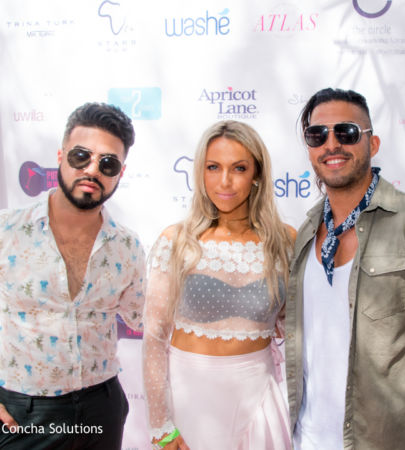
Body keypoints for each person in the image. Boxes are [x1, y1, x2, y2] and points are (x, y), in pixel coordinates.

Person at [286, 88, 405, 450]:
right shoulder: (306, 232)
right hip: (307, 440)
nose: (331, 144)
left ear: (372, 143)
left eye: (347, 132)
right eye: (317, 134)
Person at [0, 102, 145, 449]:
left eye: (108, 163)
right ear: (61, 156)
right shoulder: (7, 231)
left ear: (120, 173)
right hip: (24, 413)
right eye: (82, 156)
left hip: (102, 407)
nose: (92, 170)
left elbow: (147, 319)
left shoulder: (127, 246)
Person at [143, 120, 295, 449]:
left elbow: (295, 326)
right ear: (201, 172)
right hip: (190, 402)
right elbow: (154, 338)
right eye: (213, 167)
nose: (224, 181)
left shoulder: (285, 241)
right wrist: (161, 425)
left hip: (258, 396)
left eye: (239, 168)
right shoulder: (176, 241)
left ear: (257, 174)